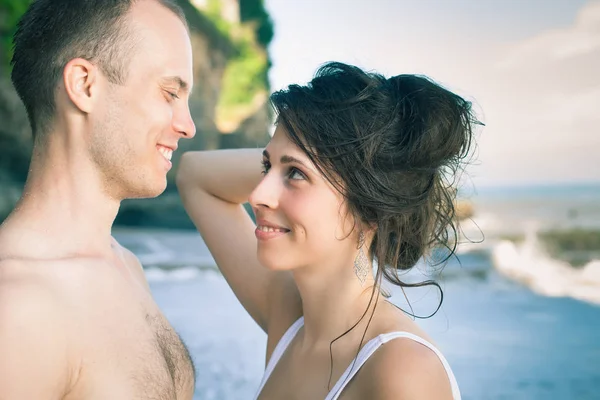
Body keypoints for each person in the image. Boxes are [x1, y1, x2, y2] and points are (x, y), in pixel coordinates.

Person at [177, 62, 475, 399]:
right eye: (265, 168)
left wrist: (365, 170)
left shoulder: (403, 372)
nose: (257, 194)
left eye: (296, 175)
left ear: (369, 208)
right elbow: (194, 174)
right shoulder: (290, 317)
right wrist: (292, 162)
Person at [0, 0, 197, 398]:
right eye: (170, 93)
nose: (189, 126)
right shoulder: (17, 309)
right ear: (85, 86)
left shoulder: (126, 265)